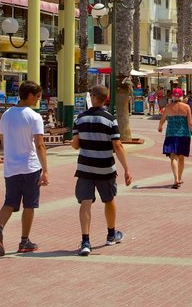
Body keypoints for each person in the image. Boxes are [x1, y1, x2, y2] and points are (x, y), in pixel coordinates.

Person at [72, 85, 133, 257]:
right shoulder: (110, 119)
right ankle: (111, 234)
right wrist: (127, 169)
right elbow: (118, 146)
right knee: (109, 199)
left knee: (85, 203)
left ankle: (85, 241)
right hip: (105, 168)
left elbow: (76, 144)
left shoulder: (80, 118)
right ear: (106, 98)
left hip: (85, 167)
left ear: (92, 97)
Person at [0, 81, 48, 256]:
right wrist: (45, 170)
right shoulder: (34, 117)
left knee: (9, 202)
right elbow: (40, 144)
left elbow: (4, 140)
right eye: (37, 97)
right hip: (30, 167)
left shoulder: (6, 115)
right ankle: (24, 241)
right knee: (29, 205)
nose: (38, 100)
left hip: (11, 166)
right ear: (30, 96)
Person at [158, 88, 192, 188]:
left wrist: (160, 126)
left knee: (173, 157)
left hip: (171, 134)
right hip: (184, 134)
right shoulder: (186, 107)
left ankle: (176, 179)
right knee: (182, 157)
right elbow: (190, 123)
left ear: (173, 96)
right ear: (181, 96)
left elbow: (163, 119)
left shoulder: (168, 107)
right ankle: (180, 177)